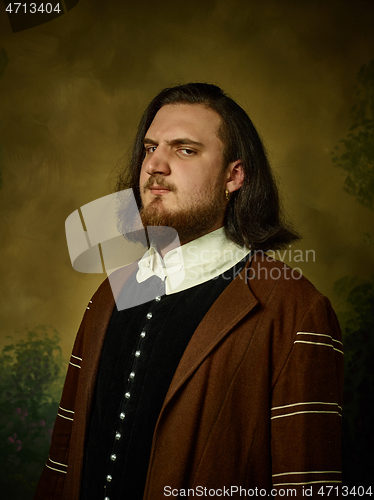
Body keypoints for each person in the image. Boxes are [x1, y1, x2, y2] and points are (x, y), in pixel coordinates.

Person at [34, 83, 343, 500]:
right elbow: (60, 467)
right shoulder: (108, 296)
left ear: (234, 176)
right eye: (149, 148)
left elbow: (307, 488)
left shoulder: (295, 310)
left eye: (185, 150)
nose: (155, 165)